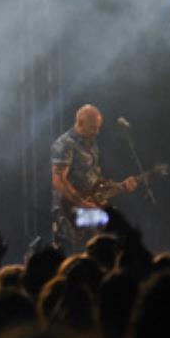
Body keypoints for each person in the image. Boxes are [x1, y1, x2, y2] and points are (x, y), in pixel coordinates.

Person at [50, 105, 136, 245]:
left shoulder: (91, 144)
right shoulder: (65, 144)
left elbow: (95, 179)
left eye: (98, 127)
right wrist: (81, 202)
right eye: (93, 127)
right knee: (89, 245)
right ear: (80, 123)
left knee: (113, 237)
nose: (97, 131)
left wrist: (120, 186)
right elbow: (58, 180)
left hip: (90, 204)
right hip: (70, 209)